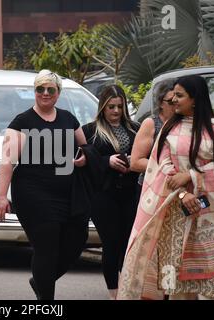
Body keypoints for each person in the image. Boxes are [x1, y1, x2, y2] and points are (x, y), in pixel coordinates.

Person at [117, 75, 214, 300]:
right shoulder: (169, 129)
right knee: (176, 281)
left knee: (207, 281)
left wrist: (190, 175)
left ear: (195, 99)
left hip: (208, 214)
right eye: (173, 95)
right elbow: (161, 166)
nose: (173, 99)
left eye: (179, 95)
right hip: (175, 212)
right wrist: (182, 193)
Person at [0, 70, 89, 300]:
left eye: (50, 89)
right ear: (34, 92)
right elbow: (7, 162)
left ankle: (40, 280)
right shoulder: (21, 122)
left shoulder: (69, 118)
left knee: (77, 241)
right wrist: (1, 196)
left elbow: (86, 148)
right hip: (32, 194)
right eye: (40, 89)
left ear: (58, 93)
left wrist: (84, 157)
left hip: (67, 194)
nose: (45, 93)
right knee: (47, 247)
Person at [81, 85, 140, 300]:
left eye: (119, 106)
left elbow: (147, 154)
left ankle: (126, 288)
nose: (115, 111)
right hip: (102, 195)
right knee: (111, 241)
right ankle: (114, 293)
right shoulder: (89, 130)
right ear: (102, 107)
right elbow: (81, 160)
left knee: (128, 242)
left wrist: (134, 160)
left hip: (130, 192)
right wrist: (107, 161)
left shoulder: (136, 128)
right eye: (110, 107)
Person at [130, 79, 175, 203]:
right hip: (152, 188)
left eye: (179, 99)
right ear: (160, 103)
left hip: (177, 188)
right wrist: (169, 168)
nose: (176, 104)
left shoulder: (185, 123)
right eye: (171, 101)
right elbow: (135, 162)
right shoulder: (151, 123)